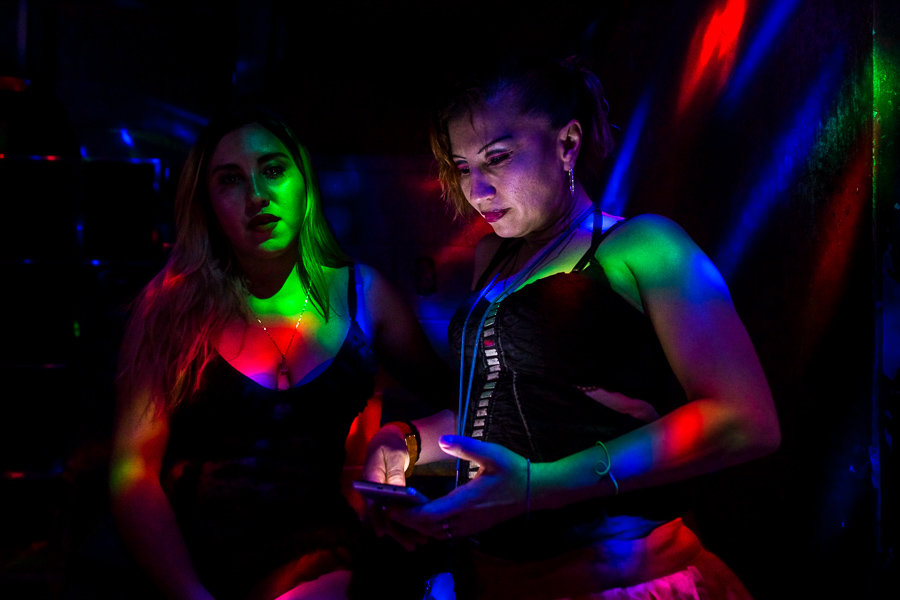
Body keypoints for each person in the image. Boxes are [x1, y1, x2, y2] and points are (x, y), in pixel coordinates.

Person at [362, 57, 781, 599]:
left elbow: (746, 421)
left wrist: (540, 486)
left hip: (621, 579)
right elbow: (506, 404)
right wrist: (408, 441)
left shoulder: (643, 246)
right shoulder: (492, 256)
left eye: (499, 158)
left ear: (567, 144)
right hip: (493, 580)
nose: (478, 191)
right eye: (464, 168)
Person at [104, 107, 453, 600]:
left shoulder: (361, 294)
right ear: (207, 205)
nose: (256, 195)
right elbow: (131, 470)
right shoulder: (172, 308)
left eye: (272, 169)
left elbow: (467, 402)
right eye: (230, 180)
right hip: (185, 558)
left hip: (317, 553)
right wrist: (187, 591)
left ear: (303, 181)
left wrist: (402, 439)